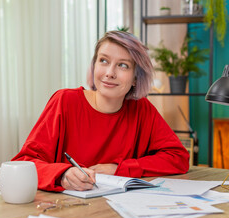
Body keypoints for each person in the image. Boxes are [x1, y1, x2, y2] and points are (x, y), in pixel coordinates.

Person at [11, 31, 189, 192]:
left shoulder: (142, 109)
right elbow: (23, 163)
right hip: (64, 210)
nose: (110, 73)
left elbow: (178, 158)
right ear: (94, 65)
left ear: (136, 78)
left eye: (123, 65)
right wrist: (63, 174)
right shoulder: (65, 101)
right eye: (103, 61)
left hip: (118, 213)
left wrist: (119, 169)